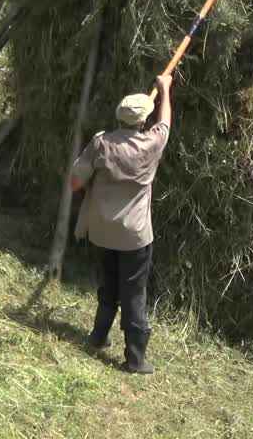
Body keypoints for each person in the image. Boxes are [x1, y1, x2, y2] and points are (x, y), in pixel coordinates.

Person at [70, 73, 173, 375]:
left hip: (102, 230)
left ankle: (98, 336)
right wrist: (165, 89)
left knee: (108, 283)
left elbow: (76, 182)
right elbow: (165, 122)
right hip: (134, 236)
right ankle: (136, 358)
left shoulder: (101, 144)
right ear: (143, 122)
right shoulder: (150, 145)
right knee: (133, 292)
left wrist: (94, 186)